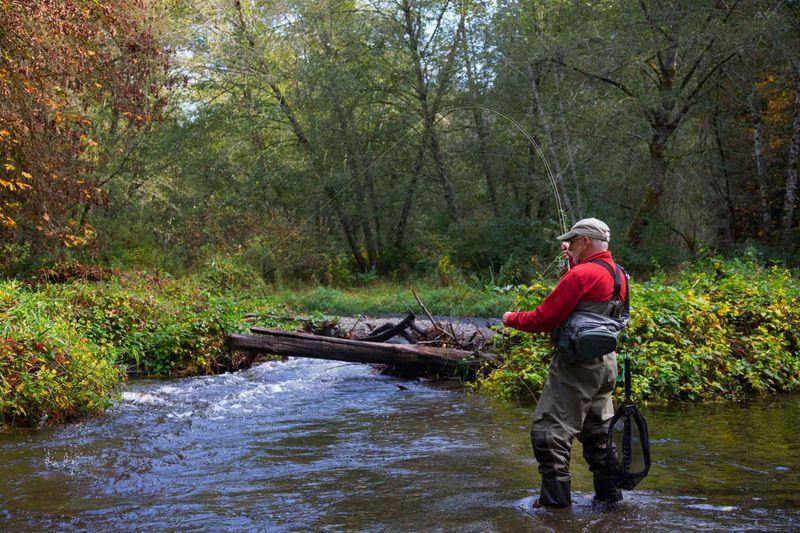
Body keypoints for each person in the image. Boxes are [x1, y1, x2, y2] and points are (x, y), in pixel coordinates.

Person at [502, 218, 627, 508]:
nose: (568, 245)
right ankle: (611, 503)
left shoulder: (581, 276)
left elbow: (544, 319)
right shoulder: (620, 275)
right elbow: (592, 302)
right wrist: (572, 262)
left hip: (577, 365)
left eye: (572, 241)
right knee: (598, 434)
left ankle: (555, 510)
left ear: (585, 241)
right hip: (607, 364)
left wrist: (510, 319)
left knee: (548, 433)